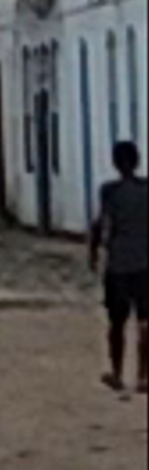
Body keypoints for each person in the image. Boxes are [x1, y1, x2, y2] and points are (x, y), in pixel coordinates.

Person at [99, 138, 149, 394]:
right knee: (145, 321)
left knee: (117, 322)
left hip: (119, 264)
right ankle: (143, 376)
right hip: (145, 263)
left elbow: (104, 225)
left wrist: (95, 254)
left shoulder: (109, 191)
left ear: (116, 163)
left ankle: (117, 374)